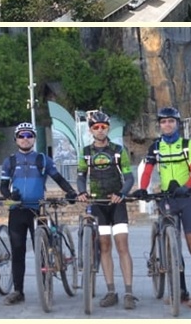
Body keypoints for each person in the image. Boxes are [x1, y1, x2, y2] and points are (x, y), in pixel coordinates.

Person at [132, 106, 191, 308]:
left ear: (177, 124)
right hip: (167, 199)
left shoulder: (187, 144)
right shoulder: (155, 147)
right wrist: (143, 189)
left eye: (171, 121)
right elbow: (147, 171)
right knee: (175, 247)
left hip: (186, 198)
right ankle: (181, 290)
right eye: (163, 122)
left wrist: (186, 187)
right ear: (160, 125)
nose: (167, 125)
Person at [0, 122, 78, 305]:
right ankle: (18, 291)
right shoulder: (10, 161)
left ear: (34, 138)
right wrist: (9, 195)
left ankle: (45, 288)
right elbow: (3, 186)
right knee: (17, 252)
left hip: (38, 209)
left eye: (29, 135)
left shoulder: (43, 159)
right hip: (17, 210)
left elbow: (58, 178)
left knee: (41, 252)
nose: (25, 139)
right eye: (21, 136)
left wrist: (70, 192)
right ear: (16, 139)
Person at [75, 112, 137, 310]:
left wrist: (122, 193)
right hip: (98, 204)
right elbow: (80, 176)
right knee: (104, 247)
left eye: (103, 126)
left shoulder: (118, 150)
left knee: (122, 246)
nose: (100, 130)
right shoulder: (85, 152)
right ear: (90, 130)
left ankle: (128, 292)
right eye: (96, 127)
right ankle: (111, 291)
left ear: (108, 128)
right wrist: (82, 192)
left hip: (116, 203)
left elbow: (129, 178)